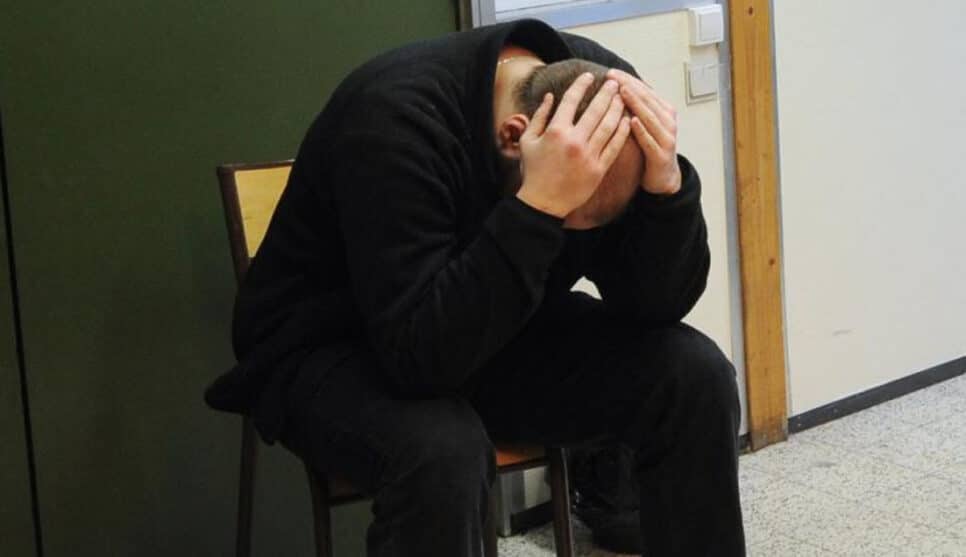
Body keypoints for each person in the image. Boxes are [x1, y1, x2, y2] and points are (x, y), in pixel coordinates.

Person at [204, 17, 745, 556]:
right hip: (332, 342)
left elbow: (656, 305)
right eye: (569, 221)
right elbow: (420, 360)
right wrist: (539, 208)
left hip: (489, 320)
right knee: (443, 452)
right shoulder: (392, 121)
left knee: (694, 376)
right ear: (515, 138)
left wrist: (667, 191)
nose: (574, 238)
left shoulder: (607, 101)